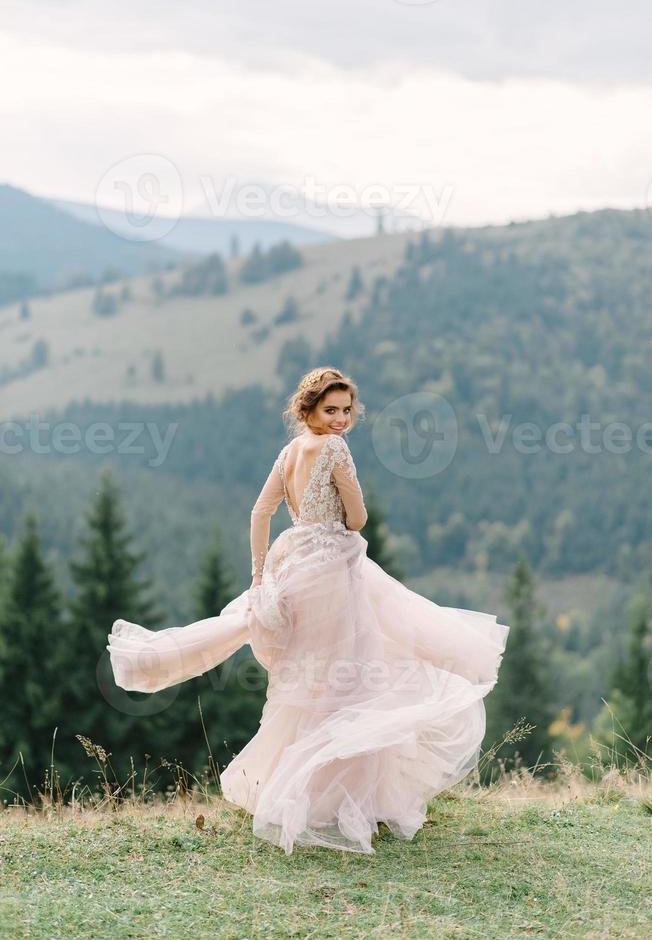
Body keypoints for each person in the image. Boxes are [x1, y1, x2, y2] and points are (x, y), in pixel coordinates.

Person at [107, 366, 510, 855]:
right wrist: (345, 511)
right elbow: (358, 518)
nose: (341, 420)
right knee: (352, 681)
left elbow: (260, 513)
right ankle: (349, 803)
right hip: (333, 575)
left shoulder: (290, 451)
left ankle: (307, 797)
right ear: (309, 410)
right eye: (331, 410)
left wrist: (259, 576)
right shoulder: (336, 450)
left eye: (346, 411)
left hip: (293, 565)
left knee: (307, 684)